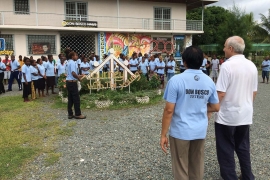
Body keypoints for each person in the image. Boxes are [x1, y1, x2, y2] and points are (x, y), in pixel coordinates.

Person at [160, 46, 219, 180]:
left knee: (181, 166)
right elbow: (216, 107)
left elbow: (169, 110)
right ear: (202, 61)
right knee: (196, 164)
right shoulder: (208, 81)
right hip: (199, 130)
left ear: (184, 61)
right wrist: (200, 107)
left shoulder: (176, 80)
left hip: (180, 130)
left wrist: (163, 134)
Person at [214, 36, 258, 180]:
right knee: (243, 147)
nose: (224, 49)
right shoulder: (251, 65)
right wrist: (246, 106)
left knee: (225, 149)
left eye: (225, 46)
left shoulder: (227, 66)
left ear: (231, 49)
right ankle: (247, 176)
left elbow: (220, 93)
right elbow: (254, 92)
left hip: (227, 115)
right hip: (245, 114)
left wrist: (210, 108)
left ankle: (229, 177)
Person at [66, 51, 86, 119]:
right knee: (76, 99)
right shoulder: (72, 63)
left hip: (69, 82)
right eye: (76, 55)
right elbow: (73, 73)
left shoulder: (69, 62)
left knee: (70, 99)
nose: (77, 56)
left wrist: (80, 76)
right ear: (72, 56)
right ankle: (78, 114)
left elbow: (73, 74)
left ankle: (70, 114)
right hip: (72, 83)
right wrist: (79, 78)